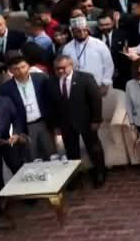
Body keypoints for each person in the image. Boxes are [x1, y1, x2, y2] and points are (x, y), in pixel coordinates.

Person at [49, 55, 107, 187]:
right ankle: (76, 177)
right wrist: (56, 125)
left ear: (71, 66)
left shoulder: (85, 78)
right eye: (57, 69)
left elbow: (95, 100)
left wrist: (96, 119)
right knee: (71, 151)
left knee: (94, 148)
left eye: (63, 68)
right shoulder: (51, 82)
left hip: (86, 121)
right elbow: (52, 105)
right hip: (65, 124)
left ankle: (100, 173)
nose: (60, 71)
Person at [0, 54, 57, 161]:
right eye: (16, 69)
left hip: (43, 123)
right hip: (24, 127)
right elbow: (6, 112)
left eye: (23, 67)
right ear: (10, 70)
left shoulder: (41, 78)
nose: (21, 71)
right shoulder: (5, 89)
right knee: (32, 157)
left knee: (51, 153)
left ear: (29, 66)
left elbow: (51, 99)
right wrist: (15, 131)